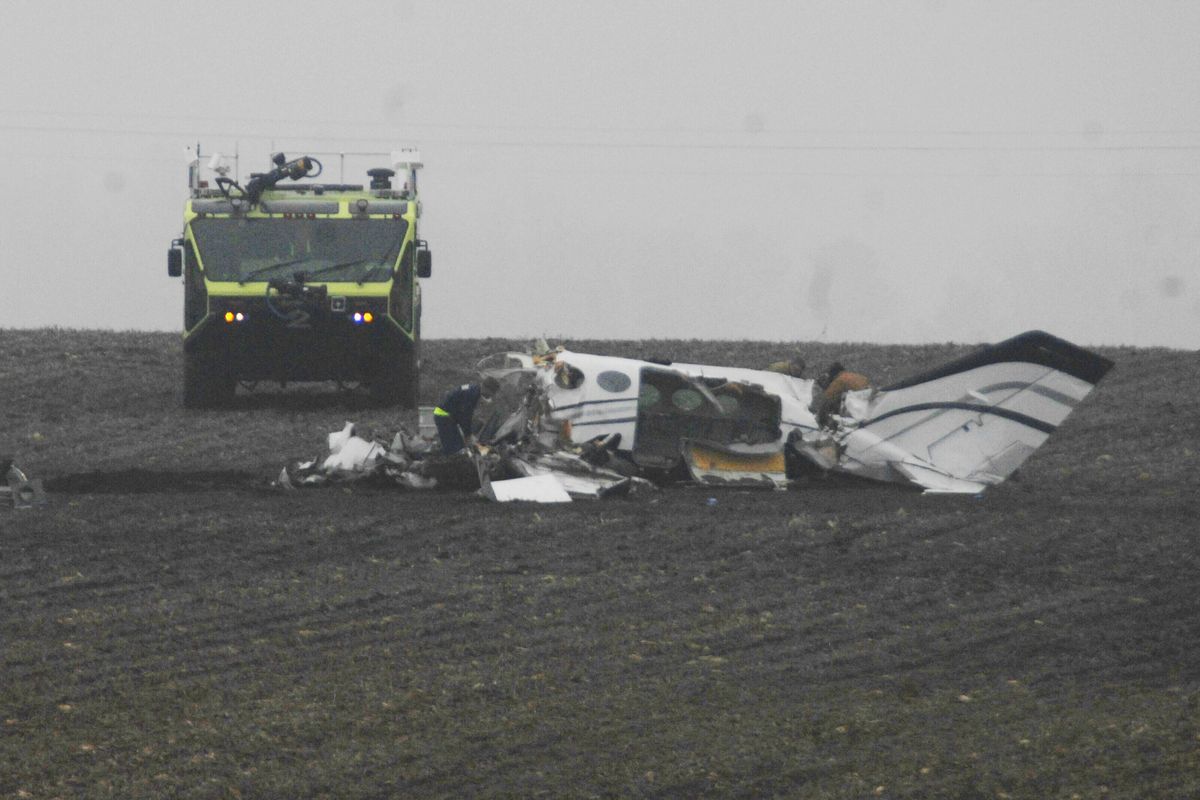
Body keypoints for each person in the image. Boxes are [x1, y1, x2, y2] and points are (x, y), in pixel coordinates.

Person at [433, 376, 500, 454]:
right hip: (444, 416)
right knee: (455, 448)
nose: (491, 396)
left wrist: (467, 434)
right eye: (492, 393)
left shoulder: (473, 389)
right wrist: (468, 434)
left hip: (447, 417)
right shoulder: (472, 394)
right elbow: (465, 416)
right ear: (487, 388)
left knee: (457, 445)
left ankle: (442, 459)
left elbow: (464, 414)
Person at [815, 362, 870, 427]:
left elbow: (826, 401)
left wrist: (820, 418)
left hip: (857, 409)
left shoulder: (839, 380)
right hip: (868, 403)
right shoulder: (860, 377)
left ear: (833, 375)